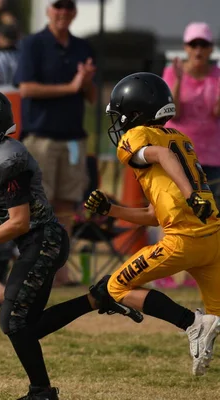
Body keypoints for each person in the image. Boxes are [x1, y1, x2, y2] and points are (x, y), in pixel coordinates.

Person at [0, 87, 142, 400]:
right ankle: (96, 299)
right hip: (36, 241)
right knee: (27, 326)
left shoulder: (8, 161)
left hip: (43, 241)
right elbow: (7, 211)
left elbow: (20, 221)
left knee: (12, 321)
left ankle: (42, 392)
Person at [84, 71, 220, 377]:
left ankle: (191, 324)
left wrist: (189, 194)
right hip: (212, 239)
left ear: (135, 113)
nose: (118, 124)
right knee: (218, 314)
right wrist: (111, 209)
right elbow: (154, 213)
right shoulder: (180, 138)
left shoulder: (137, 138)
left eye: (121, 116)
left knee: (116, 287)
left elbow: (157, 155)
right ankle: (203, 326)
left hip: (183, 240)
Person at [13, 0, 96, 286]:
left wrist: (85, 82)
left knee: (66, 206)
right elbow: (25, 88)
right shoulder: (33, 44)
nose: (63, 12)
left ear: (74, 12)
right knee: (40, 204)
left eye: (68, 6)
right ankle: (36, 266)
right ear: (48, 10)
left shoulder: (82, 47)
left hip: (73, 139)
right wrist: (70, 87)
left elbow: (92, 97)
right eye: (57, 6)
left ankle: (60, 269)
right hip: (41, 138)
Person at [162, 22, 220, 209]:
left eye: (203, 45)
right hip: (178, 155)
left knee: (211, 214)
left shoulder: (217, 76)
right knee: (174, 211)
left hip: (211, 156)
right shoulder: (172, 73)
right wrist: (179, 82)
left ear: (211, 48)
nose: (198, 50)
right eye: (193, 44)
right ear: (186, 47)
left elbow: (217, 112)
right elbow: (173, 113)